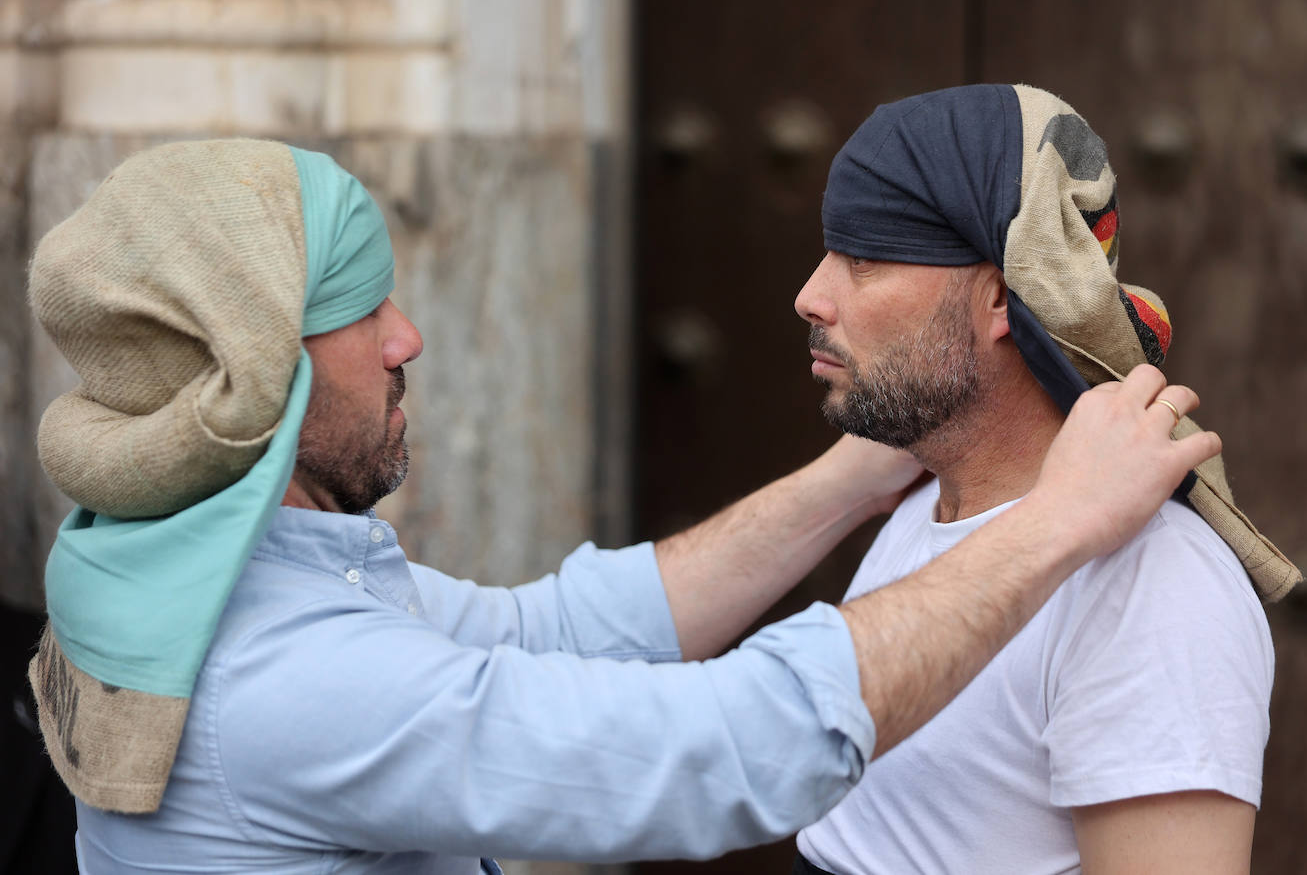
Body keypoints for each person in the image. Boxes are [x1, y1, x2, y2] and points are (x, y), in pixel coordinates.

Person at [26, 138, 1217, 874]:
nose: (409, 339)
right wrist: (1057, 524)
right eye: (362, 311)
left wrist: (856, 475)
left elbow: (557, 630)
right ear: (253, 368)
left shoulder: (169, 569)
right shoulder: (285, 683)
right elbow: (720, 750)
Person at [790, 84, 1300, 875]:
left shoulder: (1151, 586)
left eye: (864, 257)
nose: (811, 296)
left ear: (1000, 293)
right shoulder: (924, 504)